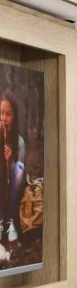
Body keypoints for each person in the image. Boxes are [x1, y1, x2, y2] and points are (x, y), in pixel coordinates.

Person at [1, 95, 26, 242]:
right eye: (1, 113)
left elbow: (19, 176)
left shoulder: (19, 142)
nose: (3, 118)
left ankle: (10, 221)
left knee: (19, 166)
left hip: (12, 193)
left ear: (14, 118)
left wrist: (11, 162)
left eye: (8, 114)